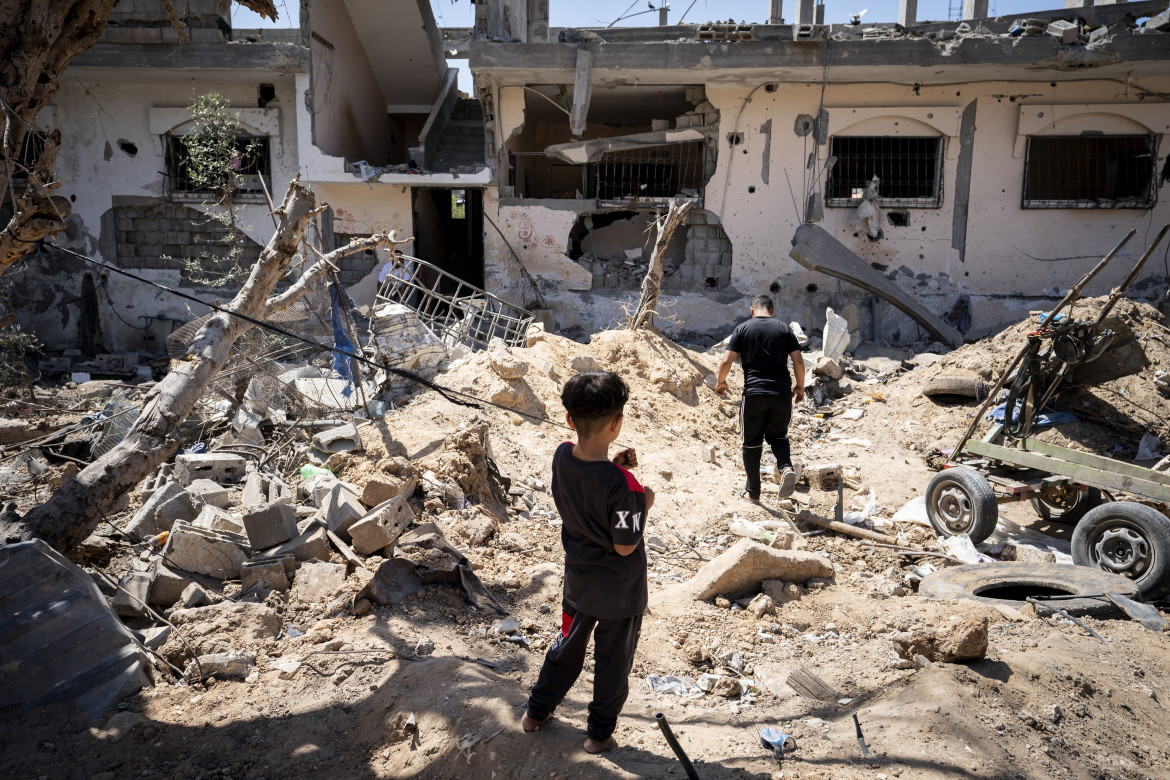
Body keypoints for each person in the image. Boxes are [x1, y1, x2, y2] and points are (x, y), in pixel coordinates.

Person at [521, 371, 654, 754]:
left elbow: (590, 486)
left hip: (578, 584)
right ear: (617, 423)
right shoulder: (624, 487)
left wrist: (615, 469)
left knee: (565, 649)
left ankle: (536, 712)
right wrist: (643, 499)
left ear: (569, 420)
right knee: (613, 664)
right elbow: (625, 545)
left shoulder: (562, 456)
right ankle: (598, 736)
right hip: (620, 594)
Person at [714, 294, 806, 503]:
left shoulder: (743, 328)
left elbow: (726, 360)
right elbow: (799, 361)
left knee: (751, 443)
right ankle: (785, 467)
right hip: (781, 394)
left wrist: (721, 382)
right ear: (772, 311)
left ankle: (753, 493)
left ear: (752, 310)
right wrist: (799, 387)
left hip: (754, 394)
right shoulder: (784, 329)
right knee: (778, 437)